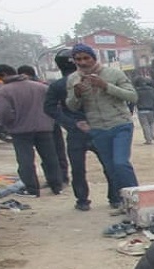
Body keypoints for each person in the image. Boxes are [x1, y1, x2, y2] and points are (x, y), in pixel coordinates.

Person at [65, 43, 139, 210]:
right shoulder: (73, 79)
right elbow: (72, 106)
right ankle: (123, 202)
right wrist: (76, 94)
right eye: (78, 59)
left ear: (94, 58)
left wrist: (105, 86)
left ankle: (138, 199)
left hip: (120, 123)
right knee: (111, 168)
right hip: (97, 128)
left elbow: (132, 96)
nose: (83, 62)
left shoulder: (113, 73)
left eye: (86, 58)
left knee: (121, 163)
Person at [44, 49, 117, 211]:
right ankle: (115, 198)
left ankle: (82, 200)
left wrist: (70, 123)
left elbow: (49, 109)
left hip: (76, 131)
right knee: (109, 165)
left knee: (78, 169)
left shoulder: (57, 85)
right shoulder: (99, 79)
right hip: (100, 128)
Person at [0, 64, 64, 197]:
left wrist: (9, 124)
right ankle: (56, 185)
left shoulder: (5, 91)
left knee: (25, 160)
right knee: (50, 158)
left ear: (3, 75)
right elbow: (55, 105)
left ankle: (32, 189)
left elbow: (3, 112)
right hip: (44, 128)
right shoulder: (41, 87)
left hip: (20, 130)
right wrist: (49, 120)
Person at [19, 64, 70, 186]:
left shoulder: (43, 87)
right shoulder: (45, 86)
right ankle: (60, 178)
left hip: (45, 124)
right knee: (55, 153)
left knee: (51, 154)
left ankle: (58, 178)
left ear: (25, 75)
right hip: (51, 123)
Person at [133, 77, 154, 145]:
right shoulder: (152, 90)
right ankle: (153, 135)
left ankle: (148, 140)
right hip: (151, 109)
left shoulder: (136, 91)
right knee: (152, 123)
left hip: (141, 110)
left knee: (145, 125)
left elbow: (134, 100)